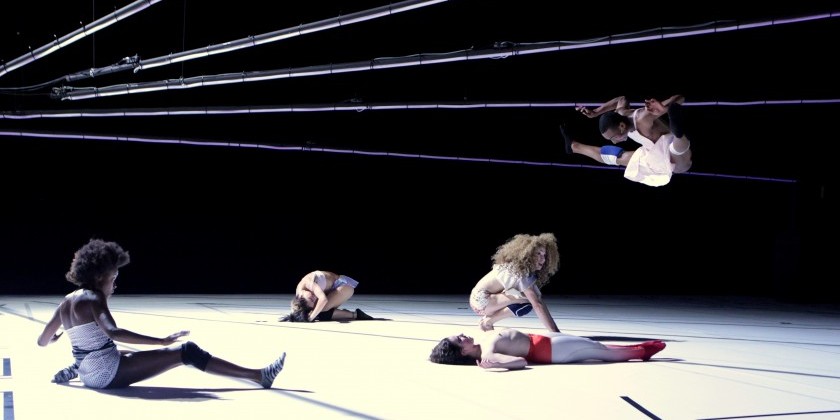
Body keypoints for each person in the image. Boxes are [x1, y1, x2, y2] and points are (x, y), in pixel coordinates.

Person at [37, 238, 286, 389]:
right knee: (186, 351)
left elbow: (42, 341)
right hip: (105, 374)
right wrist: (162, 341)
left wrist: (55, 338)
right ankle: (259, 376)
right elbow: (114, 332)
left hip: (90, 372)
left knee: (114, 351)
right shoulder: (94, 297)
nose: (114, 285)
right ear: (100, 276)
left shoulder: (66, 302)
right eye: (113, 278)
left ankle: (75, 368)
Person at [566, 95, 691, 187]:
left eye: (613, 137)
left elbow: (680, 98)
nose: (614, 142)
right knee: (615, 156)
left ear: (622, 126)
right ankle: (573, 146)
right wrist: (595, 112)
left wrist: (666, 108)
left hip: (670, 150)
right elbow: (621, 99)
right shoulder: (620, 112)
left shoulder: (642, 118)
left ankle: (678, 134)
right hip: (652, 153)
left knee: (681, 164)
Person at [429, 329, 666, 369]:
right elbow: (521, 362)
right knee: (600, 350)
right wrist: (497, 364)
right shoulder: (488, 354)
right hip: (549, 350)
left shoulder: (481, 340)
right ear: (463, 351)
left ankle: (640, 350)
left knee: (597, 347)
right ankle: (642, 352)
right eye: (460, 339)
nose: (463, 335)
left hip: (542, 340)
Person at [469, 233, 561, 333]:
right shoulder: (519, 272)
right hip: (481, 301)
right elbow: (537, 304)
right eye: (538, 253)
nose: (543, 259)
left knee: (530, 300)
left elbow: (539, 300)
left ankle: (488, 320)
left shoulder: (522, 269)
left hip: (482, 302)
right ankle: (487, 322)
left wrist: (555, 331)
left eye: (544, 255)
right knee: (529, 300)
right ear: (528, 254)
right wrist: (555, 332)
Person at [278, 270, 374, 322]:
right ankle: (345, 313)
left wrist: (311, 317)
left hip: (344, 285)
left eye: (311, 298)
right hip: (333, 290)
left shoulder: (308, 283)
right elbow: (297, 309)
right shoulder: (300, 297)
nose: (313, 298)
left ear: (300, 296)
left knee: (321, 311)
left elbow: (323, 299)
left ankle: (356, 314)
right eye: (313, 301)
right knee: (319, 313)